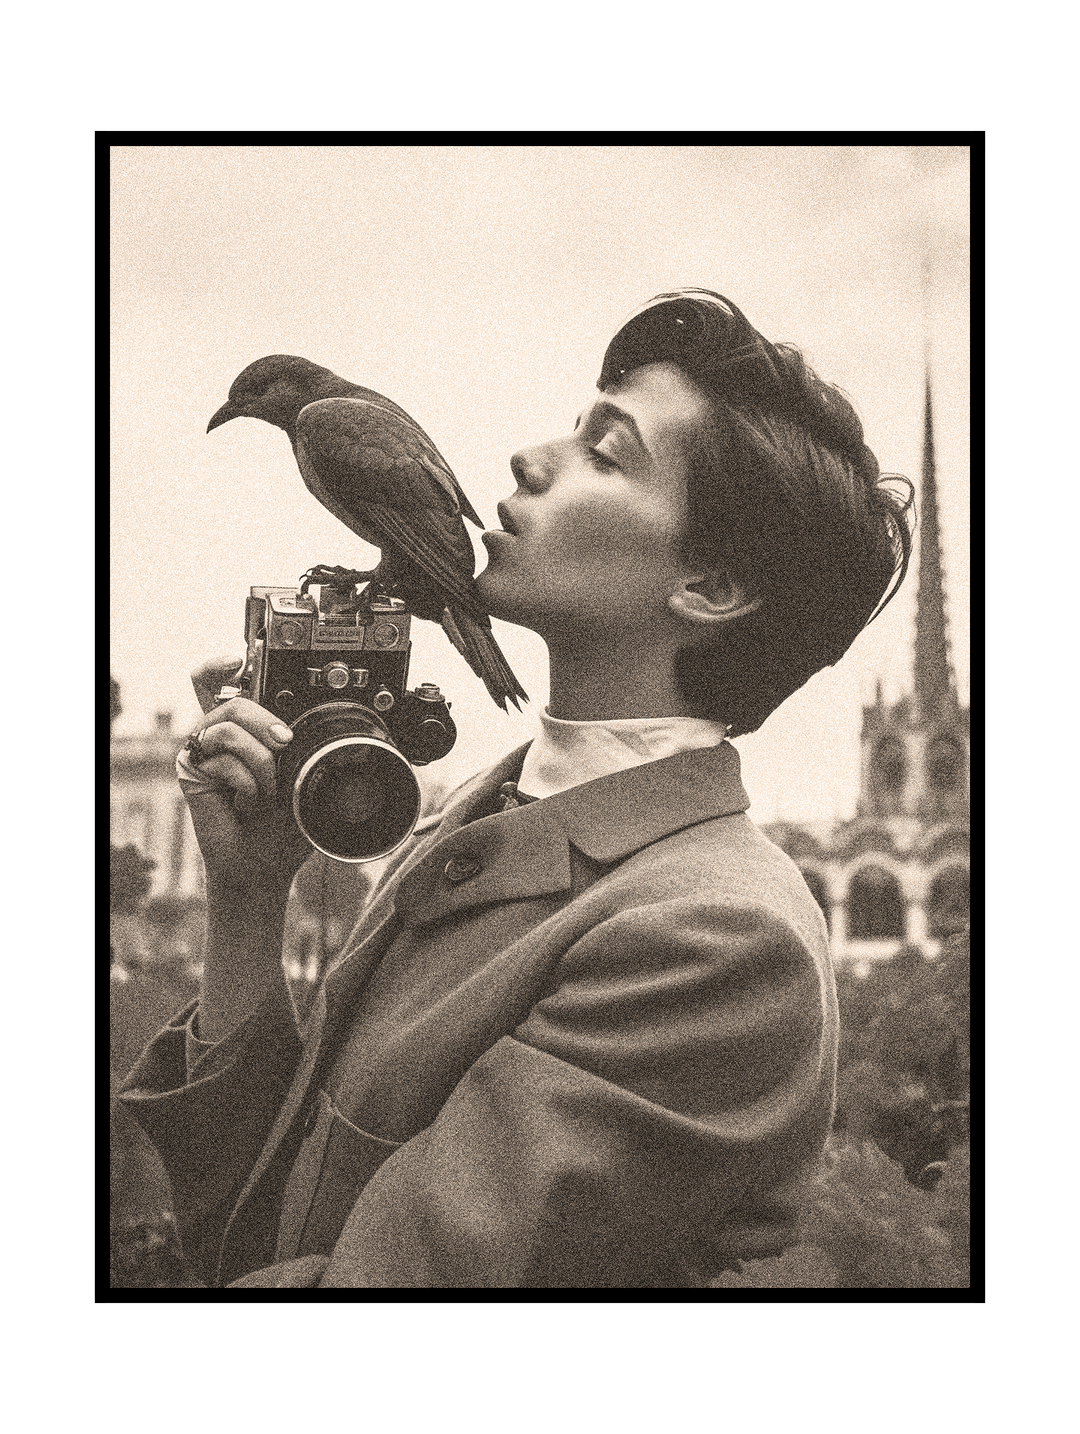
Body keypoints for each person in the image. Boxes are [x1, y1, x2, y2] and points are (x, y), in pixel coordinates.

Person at [119, 289, 914, 1289]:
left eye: (605, 452)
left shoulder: (715, 938)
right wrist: (248, 898)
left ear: (710, 588)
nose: (528, 459)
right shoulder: (475, 817)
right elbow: (252, 1221)